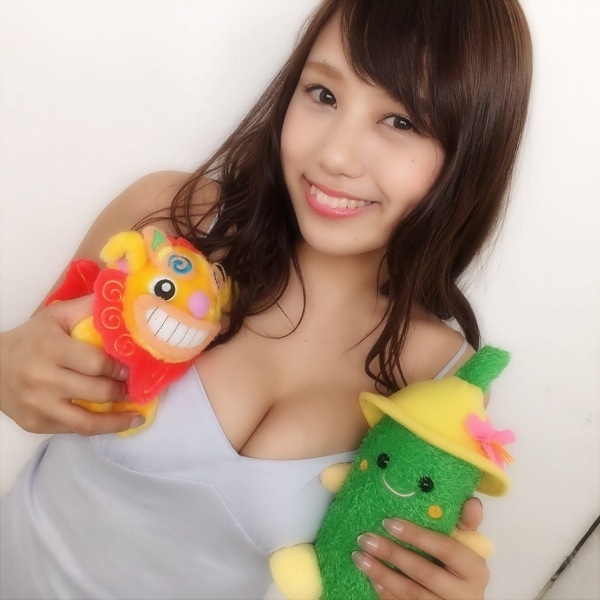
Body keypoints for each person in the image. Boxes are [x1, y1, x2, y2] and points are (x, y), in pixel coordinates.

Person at [0, 0, 532, 598]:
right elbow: (27, 373)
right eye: (323, 94)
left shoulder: (443, 379)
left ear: (471, 153)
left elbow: (352, 579)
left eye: (402, 121)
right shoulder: (170, 221)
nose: (335, 155)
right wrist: (6, 365)